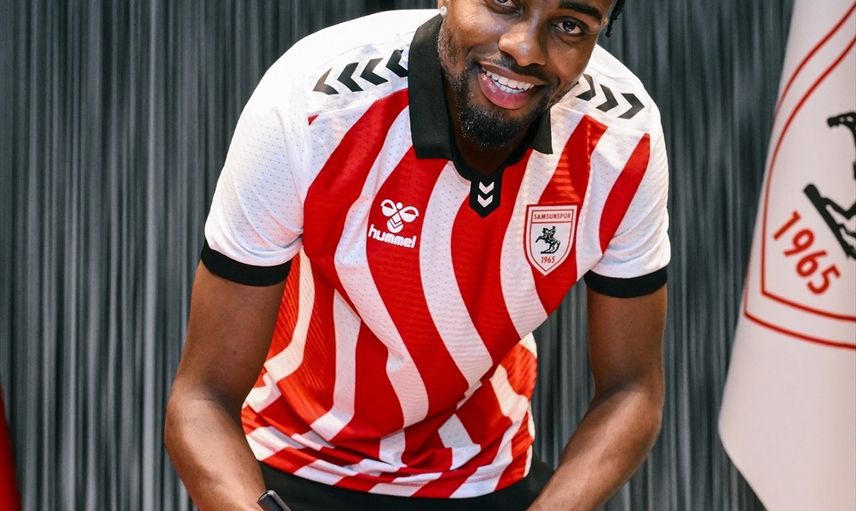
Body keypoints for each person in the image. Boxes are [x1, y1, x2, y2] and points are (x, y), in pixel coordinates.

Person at [164, 0, 669, 509]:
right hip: (291, 455)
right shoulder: (312, 104)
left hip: (485, 472)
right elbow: (201, 399)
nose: (524, 48)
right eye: (504, 2)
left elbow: (632, 389)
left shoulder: (624, 139)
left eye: (570, 25)